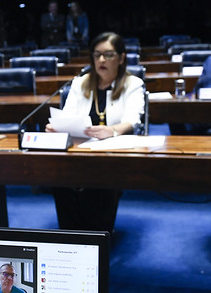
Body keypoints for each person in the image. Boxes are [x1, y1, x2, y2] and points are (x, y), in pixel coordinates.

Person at [46, 32, 144, 232]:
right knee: (59, 179)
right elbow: (68, 115)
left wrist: (112, 130)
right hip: (80, 148)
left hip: (113, 152)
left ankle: (97, 236)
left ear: (121, 58)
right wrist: (58, 126)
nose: (101, 60)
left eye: (108, 55)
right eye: (97, 54)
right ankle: (70, 236)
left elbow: (133, 120)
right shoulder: (80, 82)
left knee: (97, 180)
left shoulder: (133, 84)